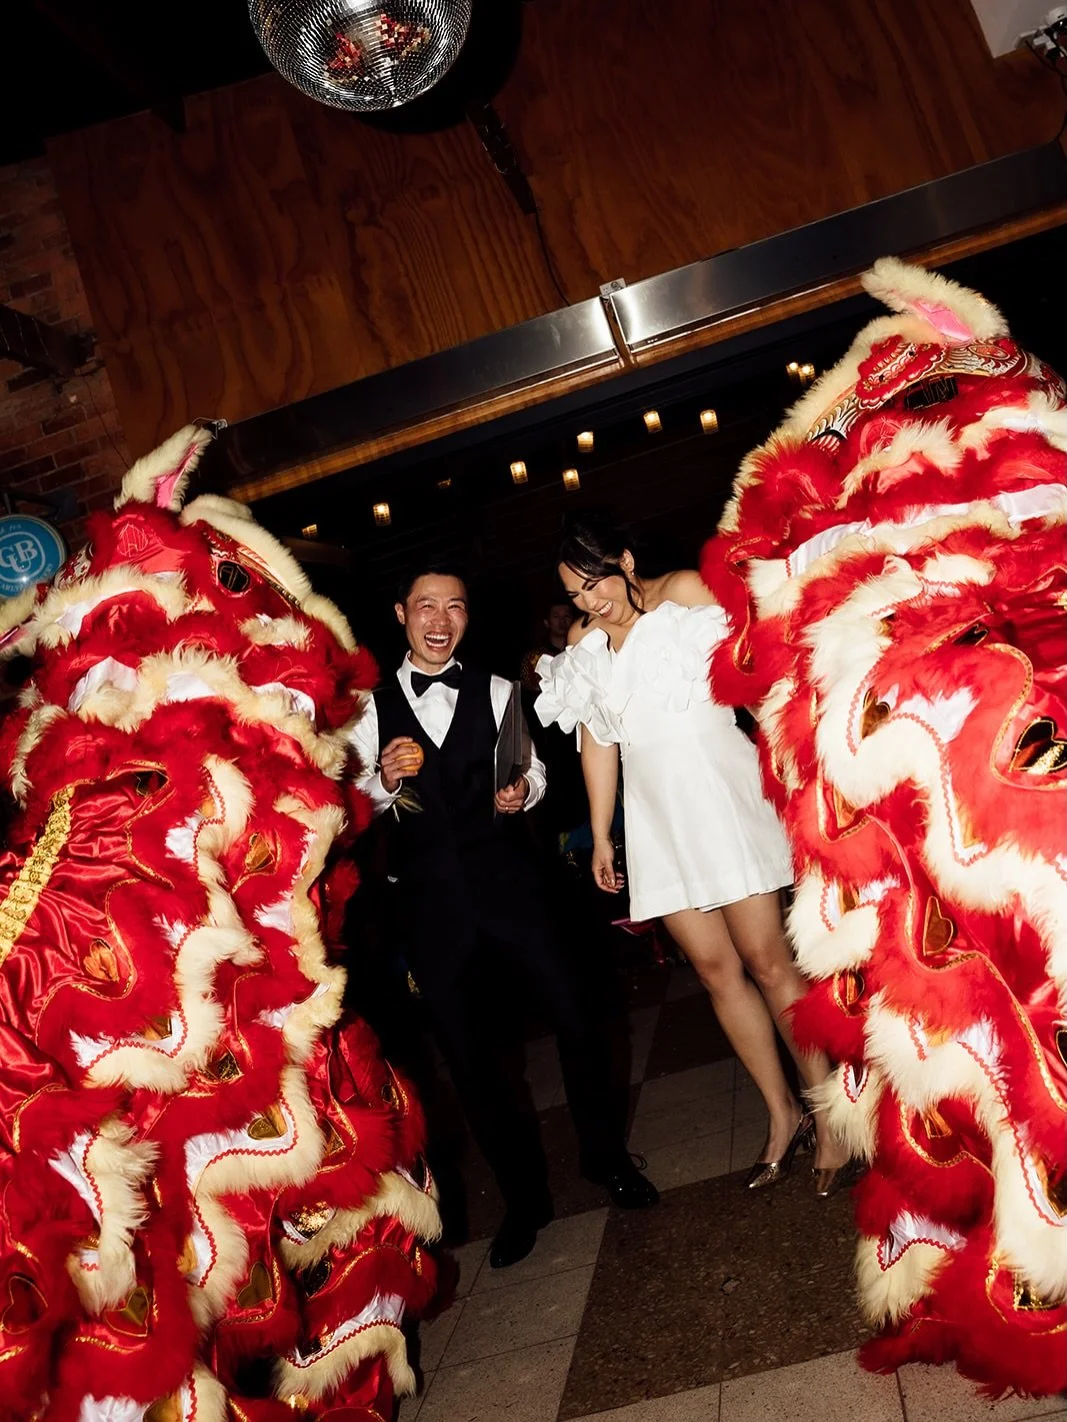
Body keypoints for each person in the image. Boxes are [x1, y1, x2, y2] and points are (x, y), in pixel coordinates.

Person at [349, 563, 658, 1270]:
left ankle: (606, 1159)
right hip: (429, 906)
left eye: (454, 606)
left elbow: (535, 770)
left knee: (579, 1021)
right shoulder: (366, 709)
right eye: (425, 605)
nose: (440, 619)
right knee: (470, 1059)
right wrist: (384, 780)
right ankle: (524, 1200)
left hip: (512, 888)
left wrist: (522, 786)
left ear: (466, 617)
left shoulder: (496, 690)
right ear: (401, 613)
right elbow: (352, 803)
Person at [535, 513, 849, 1194]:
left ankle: (832, 1116)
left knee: (768, 964)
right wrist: (601, 833)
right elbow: (598, 742)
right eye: (576, 594)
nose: (591, 601)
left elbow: (761, 664)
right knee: (713, 971)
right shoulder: (585, 644)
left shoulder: (681, 591)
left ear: (621, 559)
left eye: (595, 582)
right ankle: (780, 1113)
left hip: (721, 797)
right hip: (655, 820)